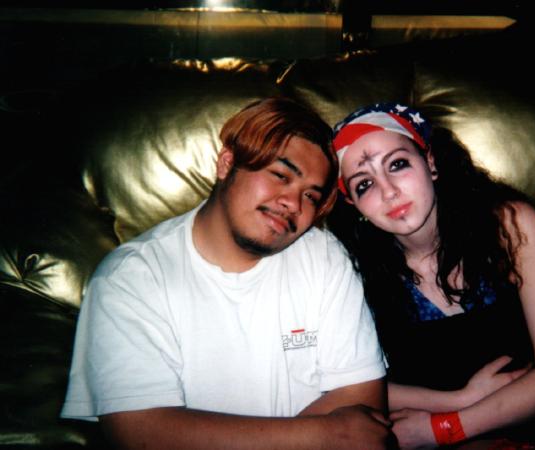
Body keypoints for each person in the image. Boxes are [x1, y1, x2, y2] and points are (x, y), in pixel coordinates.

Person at [61, 97, 391, 450]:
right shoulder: (131, 277)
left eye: (310, 196)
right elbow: (140, 431)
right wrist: (326, 434)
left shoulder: (323, 255)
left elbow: (363, 396)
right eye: (280, 175)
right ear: (227, 163)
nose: (293, 204)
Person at [328, 103, 535, 449]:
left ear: (430, 161)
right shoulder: (348, 269)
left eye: (397, 164)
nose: (388, 192)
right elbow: (346, 387)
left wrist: (443, 428)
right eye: (364, 184)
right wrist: (456, 402)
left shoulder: (509, 227)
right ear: (353, 204)